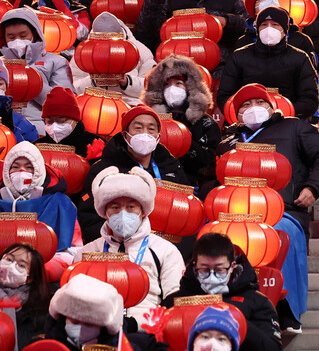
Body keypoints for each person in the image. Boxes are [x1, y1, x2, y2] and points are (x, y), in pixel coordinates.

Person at [217, 84, 319, 237]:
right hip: (238, 217)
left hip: (285, 213)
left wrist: (313, 188)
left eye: (260, 102)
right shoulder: (226, 144)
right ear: (237, 114)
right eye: (246, 105)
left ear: (271, 107)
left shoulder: (294, 127)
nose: (254, 107)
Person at [77, 165, 184, 327]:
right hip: (98, 329)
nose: (123, 213)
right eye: (115, 207)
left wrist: (137, 325)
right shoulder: (87, 253)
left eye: (131, 207)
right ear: (104, 211)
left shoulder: (165, 250)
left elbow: (174, 301)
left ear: (143, 211)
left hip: (147, 331)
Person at [77, 105, 189, 242]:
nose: (145, 134)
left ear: (158, 137)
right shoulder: (104, 170)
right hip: (117, 244)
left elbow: (185, 209)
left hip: (165, 243)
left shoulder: (171, 166)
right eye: (138, 128)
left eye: (151, 129)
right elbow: (88, 216)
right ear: (125, 134)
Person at [135, 0, 247, 77]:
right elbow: (147, 28)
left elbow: (248, 26)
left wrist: (226, 21)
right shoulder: (172, 1)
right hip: (178, 69)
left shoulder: (232, 1)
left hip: (220, 69)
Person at [164, 233, 281, 351]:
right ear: (194, 266)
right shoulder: (175, 302)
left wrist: (236, 319)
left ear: (232, 267)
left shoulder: (257, 301)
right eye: (204, 269)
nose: (212, 276)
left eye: (219, 270)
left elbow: (273, 347)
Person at [0, 141, 82, 281]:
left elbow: (72, 250)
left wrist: (39, 272)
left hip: (44, 281)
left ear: (39, 171)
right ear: (6, 172)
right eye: (15, 167)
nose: (22, 172)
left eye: (29, 167)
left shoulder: (60, 203)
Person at [218, 6, 318, 120]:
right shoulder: (239, 56)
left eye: (275, 25)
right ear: (257, 29)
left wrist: (283, 112)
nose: (269, 29)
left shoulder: (300, 58)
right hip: (247, 122)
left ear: (285, 30)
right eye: (264, 25)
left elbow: (310, 99)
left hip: (288, 123)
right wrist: (246, 114)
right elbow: (225, 96)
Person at [142, 54, 221, 191]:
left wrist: (182, 139)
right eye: (166, 84)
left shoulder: (206, 123)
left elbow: (207, 161)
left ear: (190, 87)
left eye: (178, 83)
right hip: (153, 184)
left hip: (192, 187)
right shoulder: (150, 121)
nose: (172, 89)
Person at [0, 7, 74, 134]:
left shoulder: (56, 62)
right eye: (11, 37)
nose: (17, 41)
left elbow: (67, 105)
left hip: (41, 130)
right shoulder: (1, 65)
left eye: (23, 36)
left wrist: (34, 83)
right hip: (4, 131)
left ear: (35, 33)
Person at [70, 12, 156, 104]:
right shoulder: (83, 52)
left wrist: (127, 82)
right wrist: (93, 81)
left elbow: (152, 89)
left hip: (130, 106)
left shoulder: (141, 51)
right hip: (92, 105)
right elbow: (71, 88)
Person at [238, 0, 316, 63]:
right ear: (253, 8)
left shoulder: (299, 39)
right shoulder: (245, 41)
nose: (269, 0)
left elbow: (309, 69)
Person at [45, 273, 124, 349]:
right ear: (64, 318)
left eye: (88, 324)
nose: (80, 329)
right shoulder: (45, 346)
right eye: (75, 322)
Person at [0, 243, 49, 348]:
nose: (11, 266)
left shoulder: (37, 315)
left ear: (29, 278)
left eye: (21, 265)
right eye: (9, 259)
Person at [35, 86, 99, 157]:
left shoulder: (95, 145)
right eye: (50, 121)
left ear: (75, 120)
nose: (55, 127)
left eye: (61, 121)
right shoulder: (36, 148)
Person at [0, 60, 38, 142]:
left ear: (6, 87)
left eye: (0, 84)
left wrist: (10, 130)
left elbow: (30, 150)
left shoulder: (19, 122)